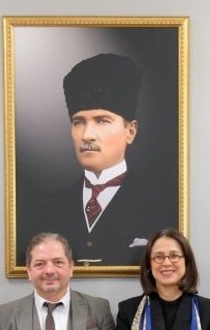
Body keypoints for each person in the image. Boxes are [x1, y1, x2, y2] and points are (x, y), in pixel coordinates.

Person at [20, 53, 177, 267]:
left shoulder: (160, 204)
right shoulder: (46, 209)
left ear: (130, 131)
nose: (87, 135)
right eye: (78, 122)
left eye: (102, 121)